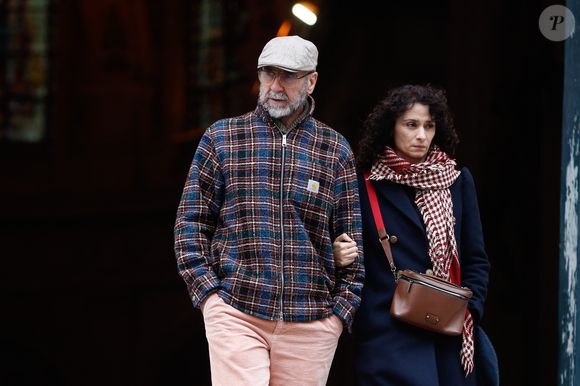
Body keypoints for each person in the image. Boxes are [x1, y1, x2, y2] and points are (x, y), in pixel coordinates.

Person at [174, 35, 364, 386]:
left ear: (311, 81)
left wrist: (339, 315)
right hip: (236, 310)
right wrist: (210, 298)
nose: (275, 85)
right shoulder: (223, 138)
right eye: (268, 73)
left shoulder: (334, 149)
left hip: (311, 320)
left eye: (288, 75)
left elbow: (352, 242)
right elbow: (190, 223)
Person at [334, 84, 490, 385]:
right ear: (389, 128)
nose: (421, 135)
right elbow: (347, 254)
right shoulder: (363, 186)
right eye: (411, 124)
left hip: (447, 335)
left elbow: (476, 258)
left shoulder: (457, 181)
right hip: (387, 335)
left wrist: (469, 311)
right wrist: (337, 255)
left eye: (429, 126)